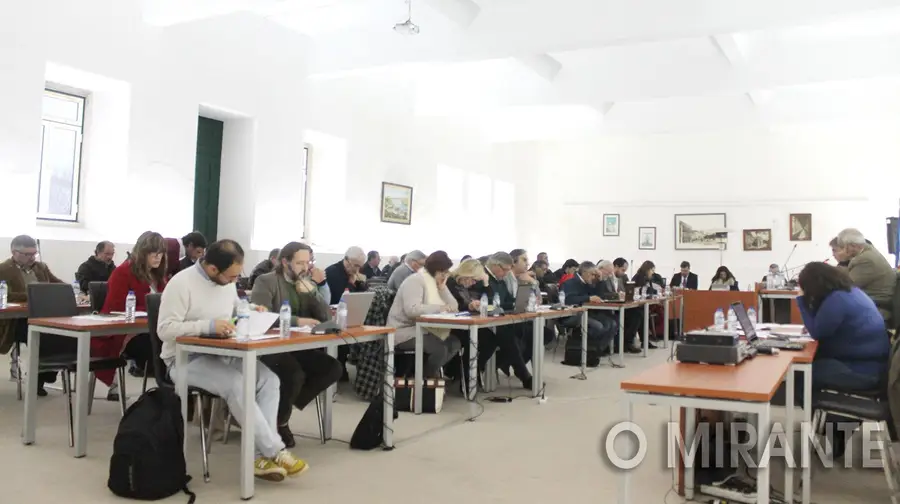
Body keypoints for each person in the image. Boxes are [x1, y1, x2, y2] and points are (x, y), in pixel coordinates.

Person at [158, 239, 307, 481]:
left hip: (222, 353)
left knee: (269, 380)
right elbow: (164, 329)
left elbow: (234, 306)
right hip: (184, 360)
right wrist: (207, 326)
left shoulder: (225, 280)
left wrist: (249, 308)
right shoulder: (181, 283)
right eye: (231, 277)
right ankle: (275, 451)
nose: (234, 281)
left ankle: (260, 457)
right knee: (236, 383)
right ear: (213, 269)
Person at [251, 242, 342, 448]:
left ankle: (277, 412)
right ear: (285, 262)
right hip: (268, 347)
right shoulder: (266, 281)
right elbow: (260, 315)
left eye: (307, 262)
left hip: (297, 346)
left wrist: (312, 292)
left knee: (332, 368)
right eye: (299, 262)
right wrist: (296, 321)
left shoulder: (305, 283)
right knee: (294, 375)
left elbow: (326, 317)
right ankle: (279, 422)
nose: (305, 267)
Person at [796, 261, 890, 458]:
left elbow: (817, 331)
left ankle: (835, 426)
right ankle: (834, 425)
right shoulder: (850, 292)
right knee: (809, 369)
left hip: (862, 371)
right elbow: (823, 326)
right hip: (870, 366)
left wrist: (802, 301)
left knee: (799, 377)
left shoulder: (838, 300)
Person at [93, 231, 166, 400]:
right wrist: (150, 310)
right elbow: (115, 308)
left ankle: (176, 393)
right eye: (153, 253)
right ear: (142, 252)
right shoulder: (123, 272)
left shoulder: (158, 276)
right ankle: (169, 394)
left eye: (161, 253)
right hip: (126, 333)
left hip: (153, 329)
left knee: (176, 344)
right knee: (163, 349)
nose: (157, 257)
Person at [0, 235, 66, 392]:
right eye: (27, 254)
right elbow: (5, 294)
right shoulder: (3, 270)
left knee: (63, 334)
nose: (32, 258)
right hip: (16, 321)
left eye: (34, 253)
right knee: (44, 336)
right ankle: (39, 378)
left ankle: (43, 376)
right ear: (14, 252)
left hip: (41, 316)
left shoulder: (41, 267)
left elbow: (57, 284)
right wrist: (34, 294)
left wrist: (71, 292)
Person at [387, 251, 462, 378]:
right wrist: (440, 308)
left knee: (454, 343)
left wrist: (443, 289)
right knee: (439, 349)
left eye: (446, 273)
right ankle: (424, 381)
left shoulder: (437, 283)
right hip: (403, 331)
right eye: (442, 272)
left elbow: (454, 307)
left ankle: (424, 375)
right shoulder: (415, 281)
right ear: (435, 270)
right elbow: (412, 310)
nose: (445, 276)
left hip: (425, 329)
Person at [443, 258, 495, 389]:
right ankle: (467, 375)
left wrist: (486, 283)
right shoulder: (450, 283)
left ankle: (473, 370)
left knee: (491, 339)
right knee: (476, 341)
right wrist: (469, 307)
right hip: (451, 326)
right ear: (466, 274)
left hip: (465, 323)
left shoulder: (464, 285)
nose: (473, 283)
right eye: (473, 280)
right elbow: (453, 306)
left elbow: (489, 300)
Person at [834, 228, 896, 320]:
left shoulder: (864, 259)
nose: (841, 251)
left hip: (876, 306)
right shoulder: (868, 250)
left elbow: (846, 286)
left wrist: (842, 262)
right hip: (871, 302)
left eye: (843, 247)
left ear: (852, 246)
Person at [560, 261, 615, 357]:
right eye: (592, 274)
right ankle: (588, 350)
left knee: (612, 323)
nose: (594, 277)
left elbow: (599, 296)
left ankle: (597, 350)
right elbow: (569, 300)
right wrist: (588, 298)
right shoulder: (571, 283)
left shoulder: (587, 283)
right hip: (573, 314)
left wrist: (601, 280)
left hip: (587, 312)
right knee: (598, 326)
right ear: (585, 272)